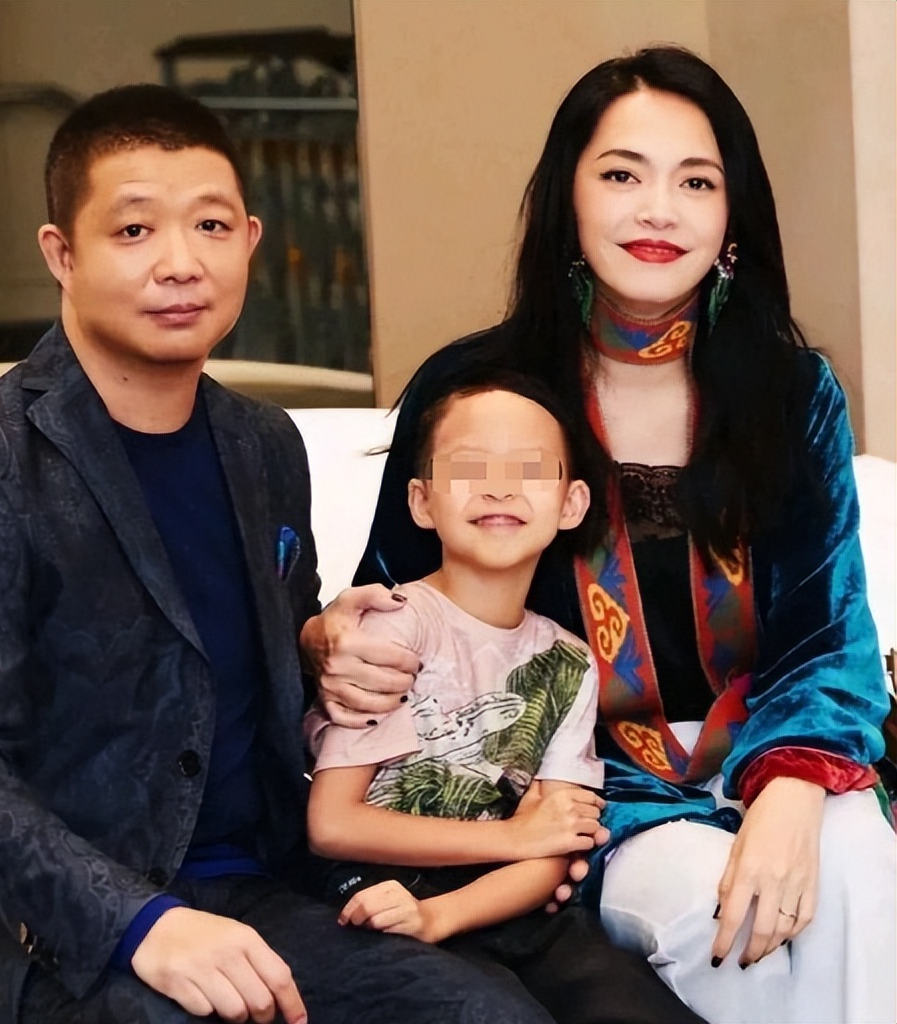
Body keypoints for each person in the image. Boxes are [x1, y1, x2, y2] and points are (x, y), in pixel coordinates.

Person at [0, 84, 586, 1024]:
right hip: (42, 924)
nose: (181, 263)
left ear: (251, 242)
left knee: (489, 1016)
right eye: (134, 231)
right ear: (62, 254)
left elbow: (261, 673)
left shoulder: (264, 446)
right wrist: (143, 925)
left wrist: (319, 644)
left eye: (212, 226)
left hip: (255, 887)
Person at [300, 46, 897, 1024]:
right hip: (587, 792)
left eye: (695, 182)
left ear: (733, 217)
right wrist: (328, 639)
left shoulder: (792, 394)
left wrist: (791, 790)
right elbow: (391, 606)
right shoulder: (478, 391)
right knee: (719, 919)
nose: (658, 210)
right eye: (621, 175)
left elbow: (827, 635)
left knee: (864, 869)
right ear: (567, 201)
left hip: (775, 750)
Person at [307, 376, 705, 1024]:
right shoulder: (393, 627)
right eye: (470, 467)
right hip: (380, 888)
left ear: (571, 503)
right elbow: (333, 825)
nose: (499, 487)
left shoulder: (569, 661)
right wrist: (514, 837)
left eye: (529, 469)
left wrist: (449, 910)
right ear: (422, 501)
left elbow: (554, 845)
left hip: (501, 898)